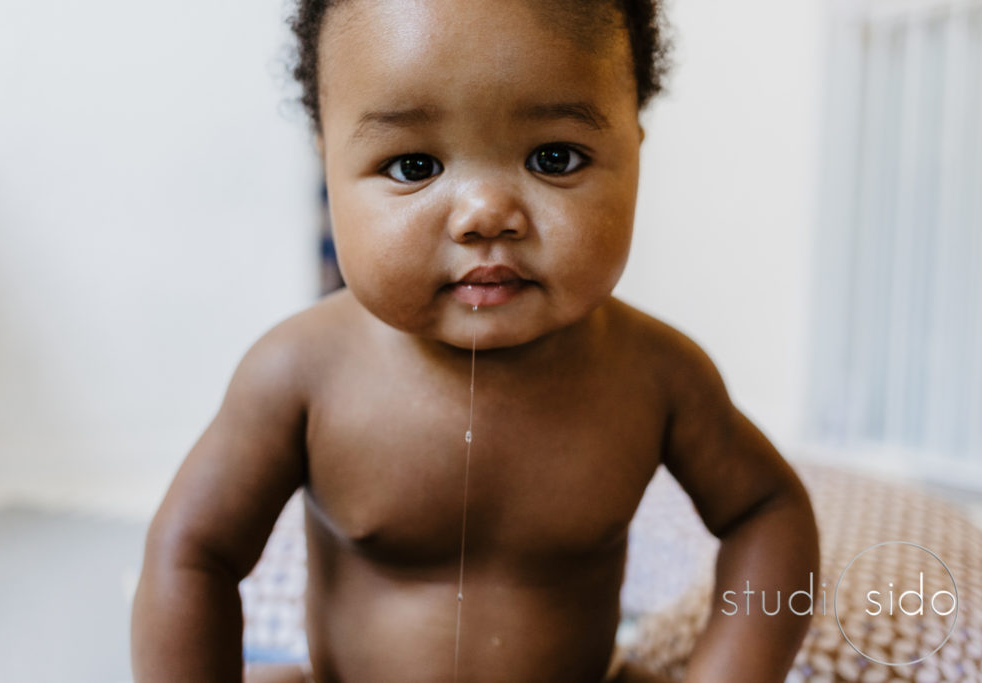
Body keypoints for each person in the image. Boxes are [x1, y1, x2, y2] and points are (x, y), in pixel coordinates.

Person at [131, 0, 820, 680]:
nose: (486, 214)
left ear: (634, 149)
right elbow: (191, 551)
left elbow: (769, 514)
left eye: (555, 157)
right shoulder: (299, 372)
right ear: (329, 161)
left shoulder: (655, 376)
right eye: (412, 166)